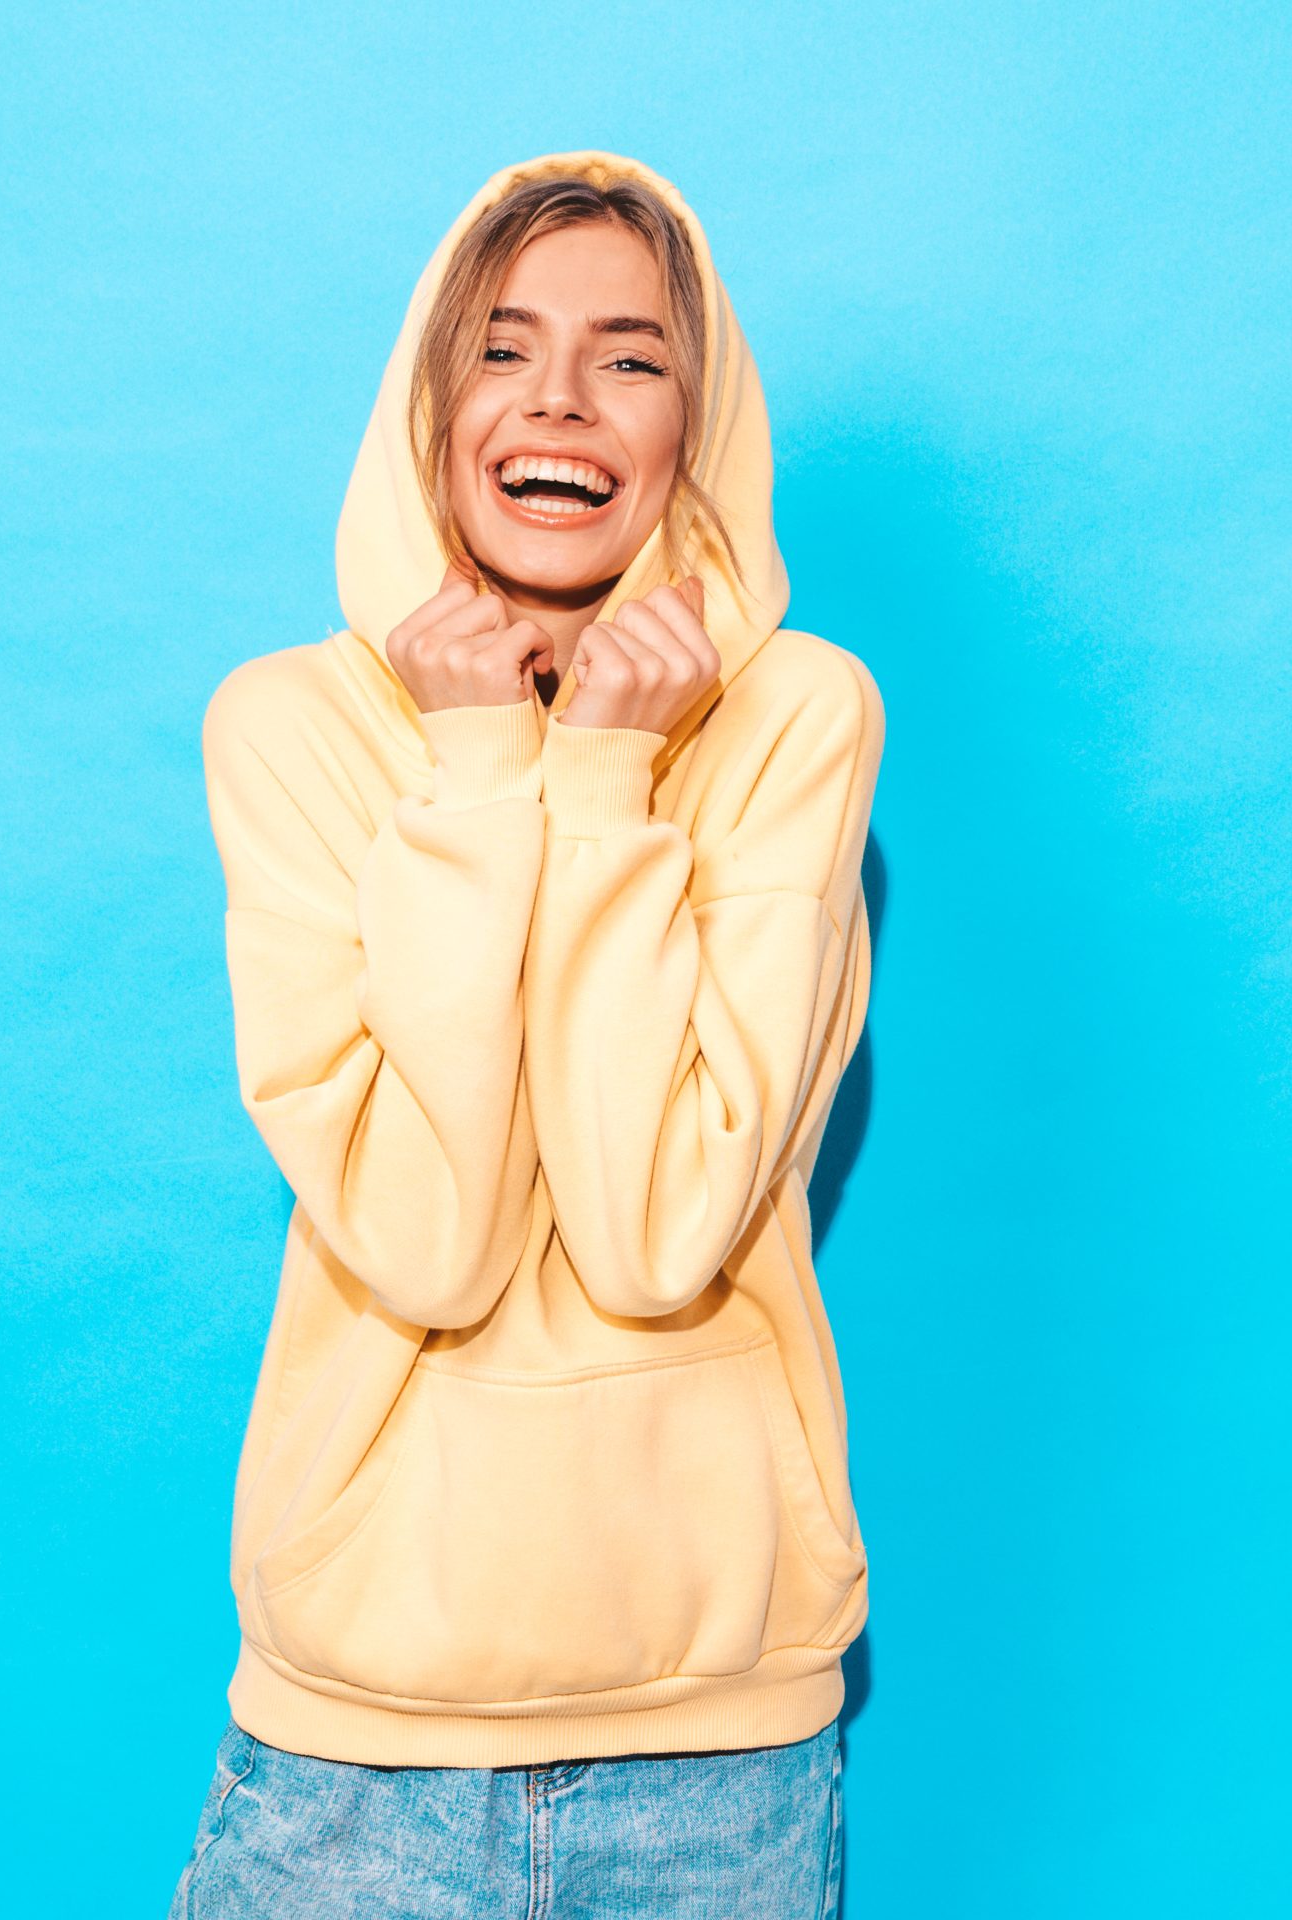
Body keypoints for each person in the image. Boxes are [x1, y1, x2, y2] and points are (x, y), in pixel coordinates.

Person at [167, 151, 882, 1918]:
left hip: (715, 1765)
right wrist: (482, 765)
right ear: (432, 401)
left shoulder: (795, 717)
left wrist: (612, 772)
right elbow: (430, 1236)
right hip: (356, 1749)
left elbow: (656, 1239)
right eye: (505, 349)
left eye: (632, 357)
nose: (561, 399)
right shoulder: (292, 731)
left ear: (695, 428)